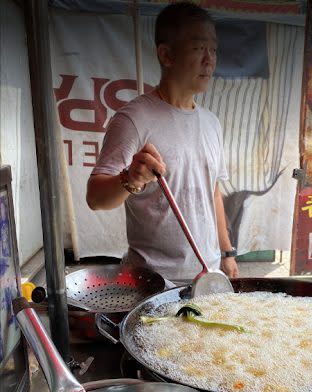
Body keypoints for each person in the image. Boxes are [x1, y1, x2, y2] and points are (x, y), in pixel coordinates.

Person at [86, 2, 239, 285]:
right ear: (167, 55)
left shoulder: (211, 123)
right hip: (153, 282)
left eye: (213, 49)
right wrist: (130, 178)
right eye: (198, 48)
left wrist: (227, 251)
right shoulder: (134, 119)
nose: (210, 60)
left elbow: (213, 191)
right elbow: (95, 198)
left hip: (207, 276)